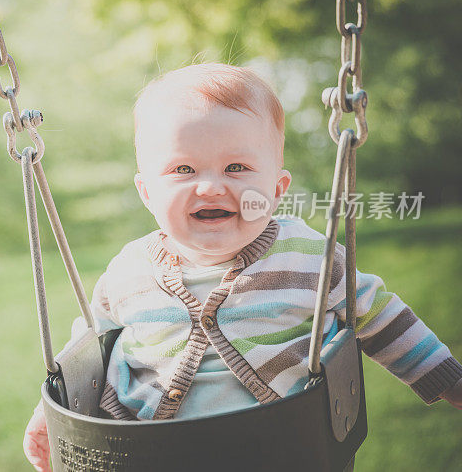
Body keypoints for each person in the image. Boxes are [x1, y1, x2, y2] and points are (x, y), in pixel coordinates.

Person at [23, 63, 462, 471]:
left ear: (276, 187)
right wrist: (50, 413)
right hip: (148, 450)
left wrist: (445, 378)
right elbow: (86, 350)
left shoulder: (309, 256)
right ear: (147, 192)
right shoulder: (128, 271)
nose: (212, 185)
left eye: (237, 167)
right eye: (183, 169)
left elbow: (378, 313)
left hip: (280, 446)